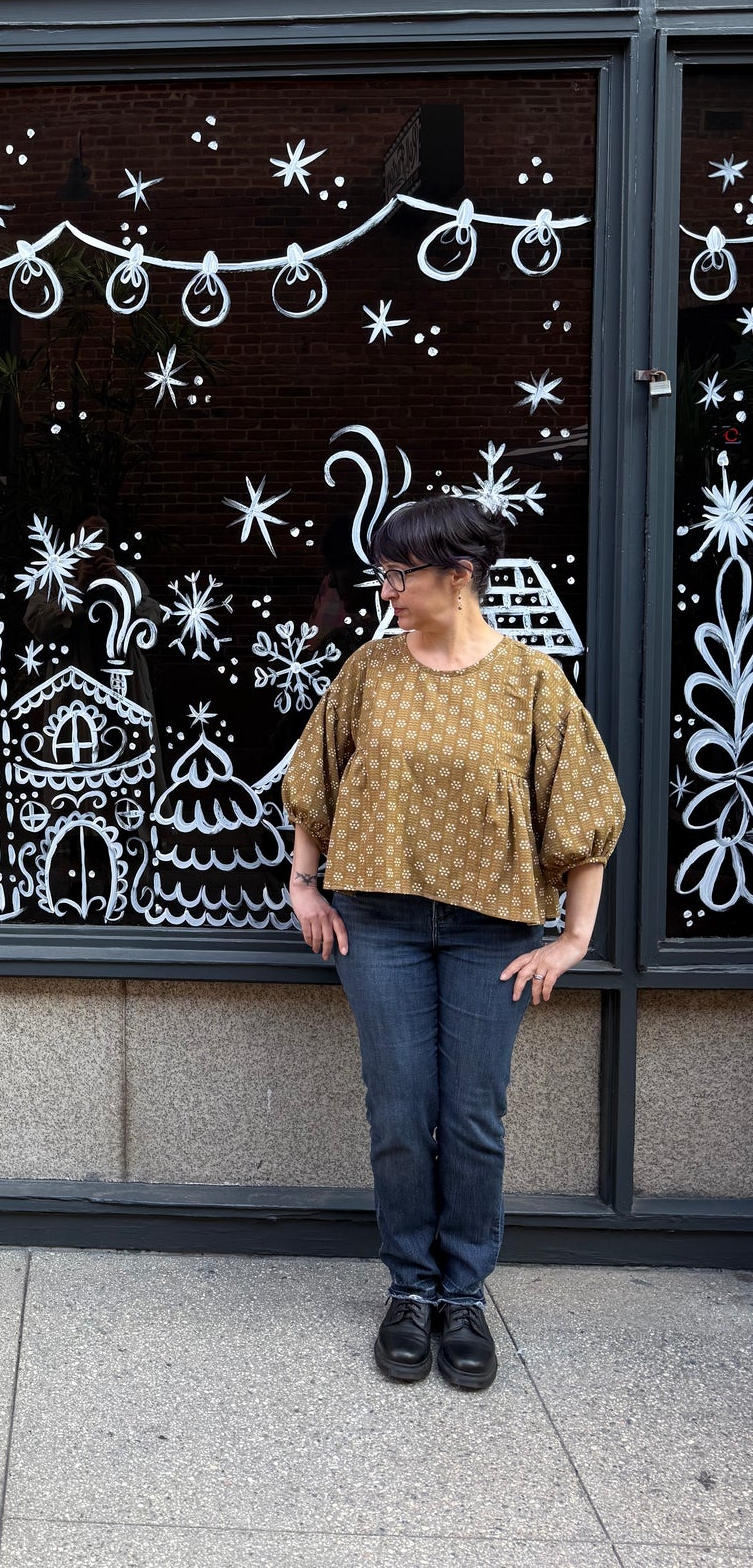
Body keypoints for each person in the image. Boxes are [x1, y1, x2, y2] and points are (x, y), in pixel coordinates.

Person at [280, 495, 623, 1392]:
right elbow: (311, 778)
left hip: (491, 933)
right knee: (398, 1111)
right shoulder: (369, 670)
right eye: (384, 574)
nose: (385, 590)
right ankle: (410, 1287)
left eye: (399, 575)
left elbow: (583, 816)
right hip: (379, 925)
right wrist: (302, 881)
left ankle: (462, 1296)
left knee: (472, 1116)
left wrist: (574, 939)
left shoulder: (531, 683)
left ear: (456, 577)